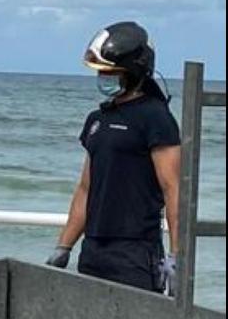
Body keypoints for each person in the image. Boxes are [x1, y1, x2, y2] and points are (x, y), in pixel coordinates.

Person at [45, 21, 182, 294]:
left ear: (133, 72)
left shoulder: (156, 118)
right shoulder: (97, 120)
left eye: (110, 72)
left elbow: (173, 188)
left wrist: (178, 257)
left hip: (136, 251)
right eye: (101, 72)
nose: (104, 77)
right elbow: (86, 188)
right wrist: (64, 247)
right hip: (94, 248)